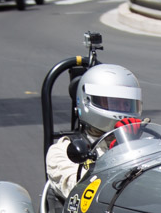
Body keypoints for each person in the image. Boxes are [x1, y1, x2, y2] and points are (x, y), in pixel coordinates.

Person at [46, 64, 143, 198]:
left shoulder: (145, 144)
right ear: (87, 101)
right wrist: (118, 152)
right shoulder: (62, 151)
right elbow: (79, 193)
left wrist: (133, 146)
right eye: (113, 102)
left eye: (126, 104)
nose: (121, 109)